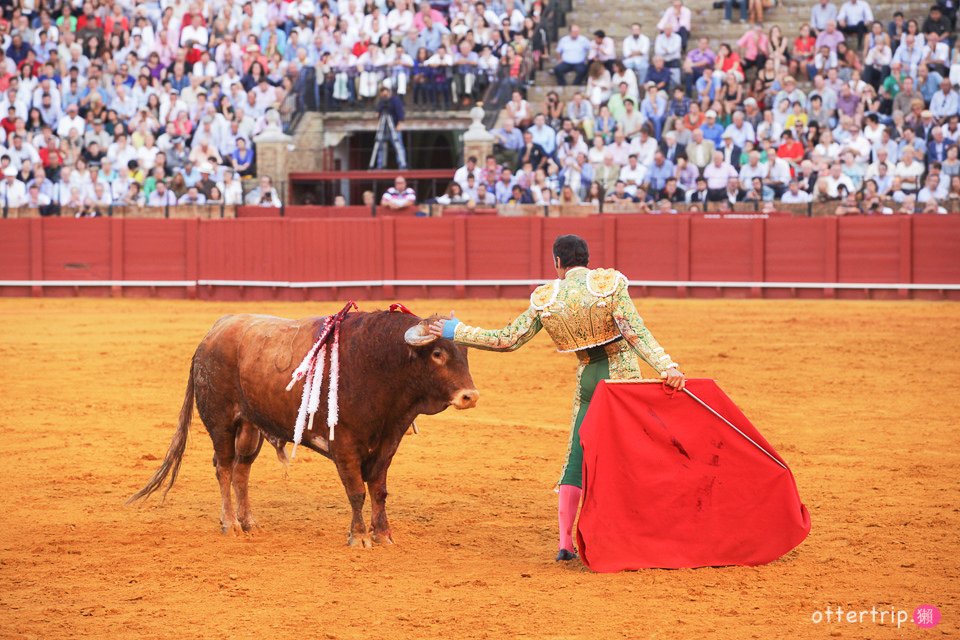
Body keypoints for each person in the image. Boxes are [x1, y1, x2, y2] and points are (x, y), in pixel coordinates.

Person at [427, 235, 685, 562]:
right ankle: (638, 530)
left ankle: (565, 542)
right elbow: (635, 332)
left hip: (588, 379)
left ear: (558, 264)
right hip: (621, 377)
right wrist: (667, 367)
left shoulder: (547, 298)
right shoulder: (609, 284)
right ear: (587, 259)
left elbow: (507, 340)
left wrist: (455, 330)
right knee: (631, 455)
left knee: (575, 457)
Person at [373, 86, 408, 170]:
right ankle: (380, 165)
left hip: (394, 128)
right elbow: (378, 113)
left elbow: (400, 113)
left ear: (389, 92)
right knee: (380, 146)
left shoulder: (395, 100)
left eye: (386, 92)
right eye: (382, 93)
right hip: (383, 128)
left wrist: (399, 124)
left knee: (398, 146)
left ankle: (402, 165)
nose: (384, 94)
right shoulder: (381, 101)